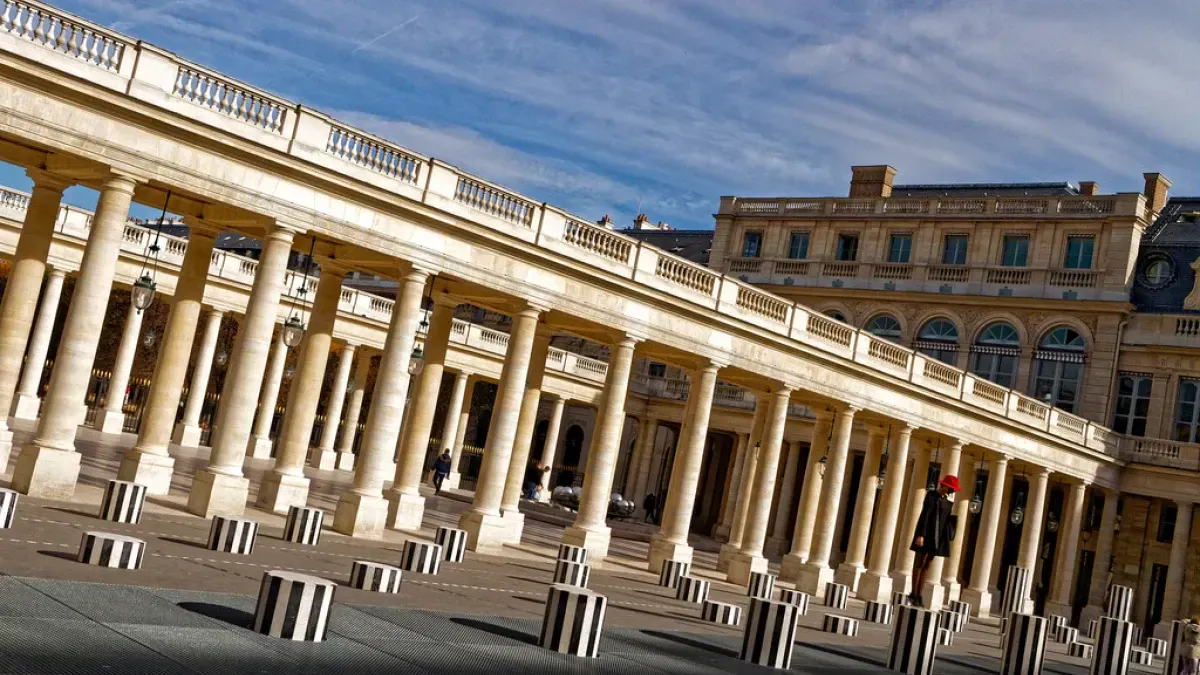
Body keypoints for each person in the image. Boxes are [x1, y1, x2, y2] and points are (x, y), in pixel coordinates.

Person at [908, 474, 958, 607]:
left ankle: (919, 594)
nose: (952, 491)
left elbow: (946, 521)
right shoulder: (931, 496)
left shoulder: (948, 502)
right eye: (951, 489)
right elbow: (925, 516)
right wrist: (921, 535)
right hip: (926, 535)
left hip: (938, 537)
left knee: (927, 565)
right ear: (945, 486)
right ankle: (913, 593)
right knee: (919, 563)